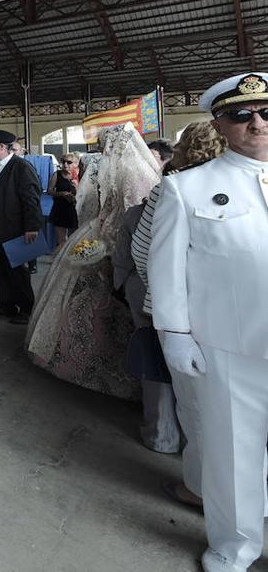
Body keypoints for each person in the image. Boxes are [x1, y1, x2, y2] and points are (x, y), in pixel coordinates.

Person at [148, 72, 268, 572]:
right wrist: (174, 335)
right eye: (241, 115)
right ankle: (235, 547)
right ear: (220, 123)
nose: (257, 123)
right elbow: (166, 269)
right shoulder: (187, 188)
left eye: (266, 112)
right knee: (235, 455)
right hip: (230, 344)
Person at [25, 123, 159, 399]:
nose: (102, 151)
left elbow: (130, 216)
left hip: (114, 240)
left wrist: (109, 244)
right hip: (99, 232)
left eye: (105, 146)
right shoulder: (117, 169)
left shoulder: (135, 173)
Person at [131, 122, 224, 509]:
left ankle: (201, 488)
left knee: (195, 406)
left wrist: (158, 296)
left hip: (183, 316)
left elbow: (143, 250)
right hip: (241, 317)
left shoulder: (171, 188)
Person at [112, 140, 177, 454]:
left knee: (157, 361)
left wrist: (123, 283)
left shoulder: (144, 208)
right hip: (186, 296)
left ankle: (161, 433)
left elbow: (127, 254)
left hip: (148, 290)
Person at [0, 130, 43, 325]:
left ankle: (26, 308)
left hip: (13, 228)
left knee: (17, 272)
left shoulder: (20, 167)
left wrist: (31, 226)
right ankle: (5, 304)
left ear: (2, 147)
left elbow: (31, 198)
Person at [47, 154, 80, 248]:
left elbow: (84, 194)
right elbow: (49, 191)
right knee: (62, 240)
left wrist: (76, 187)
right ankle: (60, 261)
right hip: (60, 208)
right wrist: (62, 194)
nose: (65, 164)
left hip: (74, 209)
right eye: (63, 161)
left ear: (75, 164)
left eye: (69, 162)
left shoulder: (78, 176)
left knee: (75, 239)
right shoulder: (57, 174)